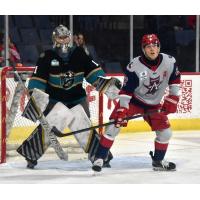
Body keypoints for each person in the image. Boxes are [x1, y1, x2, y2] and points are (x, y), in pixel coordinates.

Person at [16, 24, 121, 169]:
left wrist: (109, 87)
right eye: (60, 37)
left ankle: (100, 156)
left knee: (82, 123)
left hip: (77, 100)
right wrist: (35, 97)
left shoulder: (80, 53)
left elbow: (94, 73)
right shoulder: (46, 57)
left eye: (66, 37)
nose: (63, 40)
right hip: (55, 101)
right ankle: (31, 154)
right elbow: (37, 81)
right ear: (54, 38)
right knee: (54, 120)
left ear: (70, 38)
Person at [92, 34, 181, 172]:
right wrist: (122, 110)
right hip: (134, 100)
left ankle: (158, 161)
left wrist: (173, 98)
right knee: (113, 126)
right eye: (148, 46)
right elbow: (126, 92)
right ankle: (99, 158)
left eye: (155, 45)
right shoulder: (134, 66)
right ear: (143, 49)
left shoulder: (169, 62)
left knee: (166, 133)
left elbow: (175, 80)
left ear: (159, 47)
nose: (152, 49)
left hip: (154, 104)